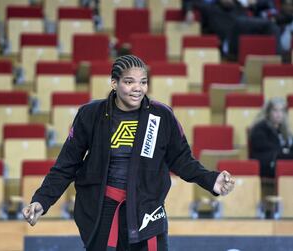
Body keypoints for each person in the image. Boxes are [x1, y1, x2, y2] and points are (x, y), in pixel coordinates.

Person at [22, 55, 235, 251]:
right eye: (129, 81)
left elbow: (182, 160)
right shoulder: (90, 115)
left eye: (143, 82)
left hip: (147, 209)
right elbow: (66, 165)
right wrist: (42, 200)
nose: (138, 88)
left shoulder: (161, 116)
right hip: (102, 209)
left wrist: (211, 180)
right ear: (114, 83)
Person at [250, 97, 293, 196]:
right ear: (268, 112)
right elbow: (264, 147)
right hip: (266, 164)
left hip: (281, 162)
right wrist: (284, 151)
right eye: (275, 110)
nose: (279, 114)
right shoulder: (260, 128)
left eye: (282, 111)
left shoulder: (284, 130)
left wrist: (285, 152)